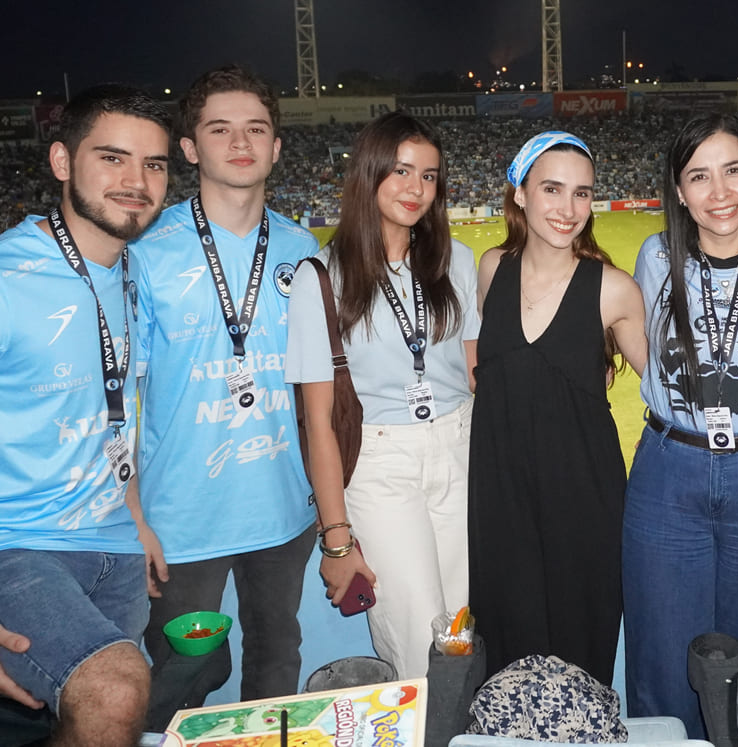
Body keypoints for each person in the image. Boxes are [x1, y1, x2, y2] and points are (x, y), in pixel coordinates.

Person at [133, 65, 318, 700]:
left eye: (255, 129)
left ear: (275, 146)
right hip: (182, 520)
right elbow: (118, 401)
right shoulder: (146, 251)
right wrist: (132, 513)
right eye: (220, 129)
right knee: (183, 680)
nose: (240, 143)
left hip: (284, 512)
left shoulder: (302, 247)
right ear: (190, 148)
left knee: (275, 667)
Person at [623, 114, 738, 738]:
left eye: (734, 170)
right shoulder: (655, 257)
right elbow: (639, 343)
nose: (719, 191)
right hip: (668, 471)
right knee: (661, 649)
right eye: (698, 176)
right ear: (678, 191)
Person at [0, 84, 171, 745]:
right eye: (113, 158)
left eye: (154, 164)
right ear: (62, 162)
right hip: (19, 544)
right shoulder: (11, 279)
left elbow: (114, 408)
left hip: (113, 547)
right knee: (116, 688)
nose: (137, 181)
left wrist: (133, 514)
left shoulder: (133, 274)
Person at [287, 112, 478, 678]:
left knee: (463, 627)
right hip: (381, 460)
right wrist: (337, 540)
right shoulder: (320, 277)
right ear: (368, 174)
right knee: (419, 638)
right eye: (400, 171)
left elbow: (474, 374)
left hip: (459, 445)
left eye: (429, 175)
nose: (416, 188)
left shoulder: (456, 260)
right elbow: (318, 423)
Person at [469, 131, 646, 683]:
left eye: (582, 193)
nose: (568, 209)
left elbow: (672, 389)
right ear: (519, 193)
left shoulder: (614, 289)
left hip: (583, 498)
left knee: (580, 649)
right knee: (506, 646)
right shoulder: (491, 268)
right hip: (501, 495)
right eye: (551, 189)